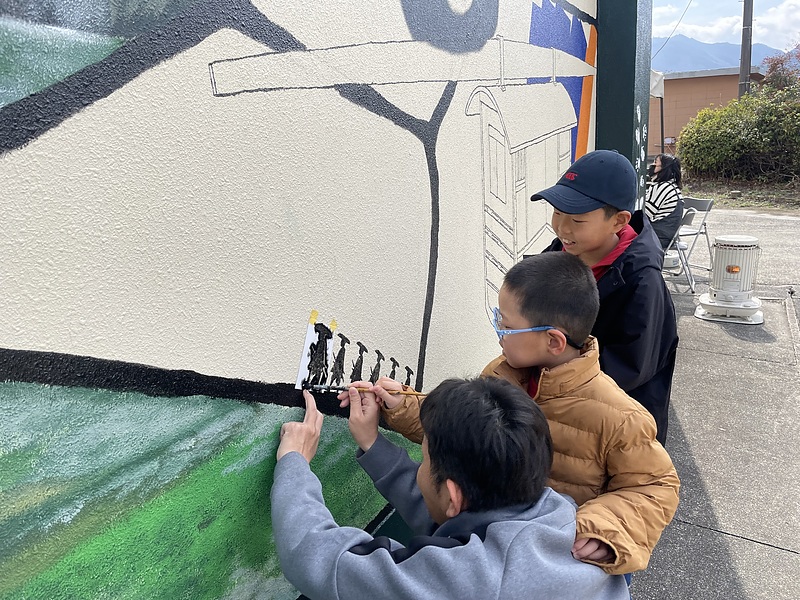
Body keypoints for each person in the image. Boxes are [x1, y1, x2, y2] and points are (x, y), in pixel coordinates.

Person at [353, 252, 680, 576]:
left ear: (553, 340)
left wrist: (605, 529)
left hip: (557, 565)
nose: (498, 333)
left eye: (506, 326)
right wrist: (403, 405)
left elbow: (656, 486)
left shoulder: (620, 418)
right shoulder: (501, 374)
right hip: (486, 548)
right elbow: (465, 437)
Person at [273, 378, 630, 600]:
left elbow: (315, 558)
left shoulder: (475, 583)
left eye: (424, 459)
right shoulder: (558, 515)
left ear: (455, 494)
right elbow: (451, 521)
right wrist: (372, 444)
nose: (421, 469)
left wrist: (294, 462)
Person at [535, 149, 678, 444]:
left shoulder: (641, 281)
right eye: (557, 212)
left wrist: (555, 380)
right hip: (558, 412)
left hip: (616, 428)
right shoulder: (556, 254)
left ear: (618, 221)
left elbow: (631, 367)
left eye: (577, 219)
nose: (562, 227)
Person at [645, 153, 684, 250]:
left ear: (663, 168)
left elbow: (645, 214)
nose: (652, 165)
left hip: (657, 237)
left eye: (656, 163)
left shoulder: (661, 187)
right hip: (669, 236)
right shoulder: (672, 186)